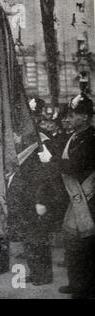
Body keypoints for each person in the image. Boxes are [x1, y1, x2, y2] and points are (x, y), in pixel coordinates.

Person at [57, 94, 95, 298]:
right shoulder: (73, 137)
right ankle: (75, 282)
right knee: (72, 243)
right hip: (73, 197)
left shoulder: (91, 138)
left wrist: (53, 162)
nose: (69, 118)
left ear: (86, 117)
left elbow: (75, 165)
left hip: (88, 199)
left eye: (74, 114)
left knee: (85, 247)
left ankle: (86, 287)